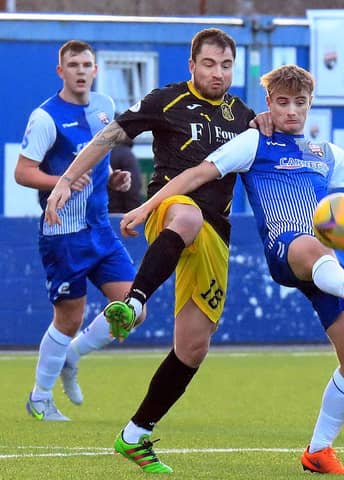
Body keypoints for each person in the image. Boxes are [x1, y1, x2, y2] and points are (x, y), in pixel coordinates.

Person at [114, 64, 344, 474]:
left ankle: (318, 450)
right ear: (269, 104)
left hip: (329, 259)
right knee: (310, 245)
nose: (291, 111)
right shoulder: (254, 142)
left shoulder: (324, 153)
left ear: (311, 105)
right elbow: (197, 173)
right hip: (287, 249)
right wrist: (147, 206)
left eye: (300, 103)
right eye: (282, 102)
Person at [44, 28, 267, 474]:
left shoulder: (244, 116)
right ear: (191, 65)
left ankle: (135, 435)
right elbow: (109, 137)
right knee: (187, 217)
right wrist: (66, 180)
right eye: (209, 64)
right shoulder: (166, 101)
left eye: (226, 66)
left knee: (193, 348)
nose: (218, 73)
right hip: (169, 209)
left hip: (215, 233)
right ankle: (132, 302)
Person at [14, 40, 144, 421]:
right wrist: (62, 181)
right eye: (73, 65)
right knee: (68, 318)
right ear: (61, 72)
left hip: (101, 228)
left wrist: (115, 180)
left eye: (87, 64)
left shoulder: (105, 107)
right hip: (63, 234)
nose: (82, 71)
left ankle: (74, 354)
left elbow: (100, 162)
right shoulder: (45, 117)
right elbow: (23, 172)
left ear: (96, 69)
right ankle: (40, 397)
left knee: (133, 309)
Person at [108, 136, 143, 213]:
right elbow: (133, 188)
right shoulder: (126, 154)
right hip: (118, 215)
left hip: (100, 213)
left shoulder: (100, 153)